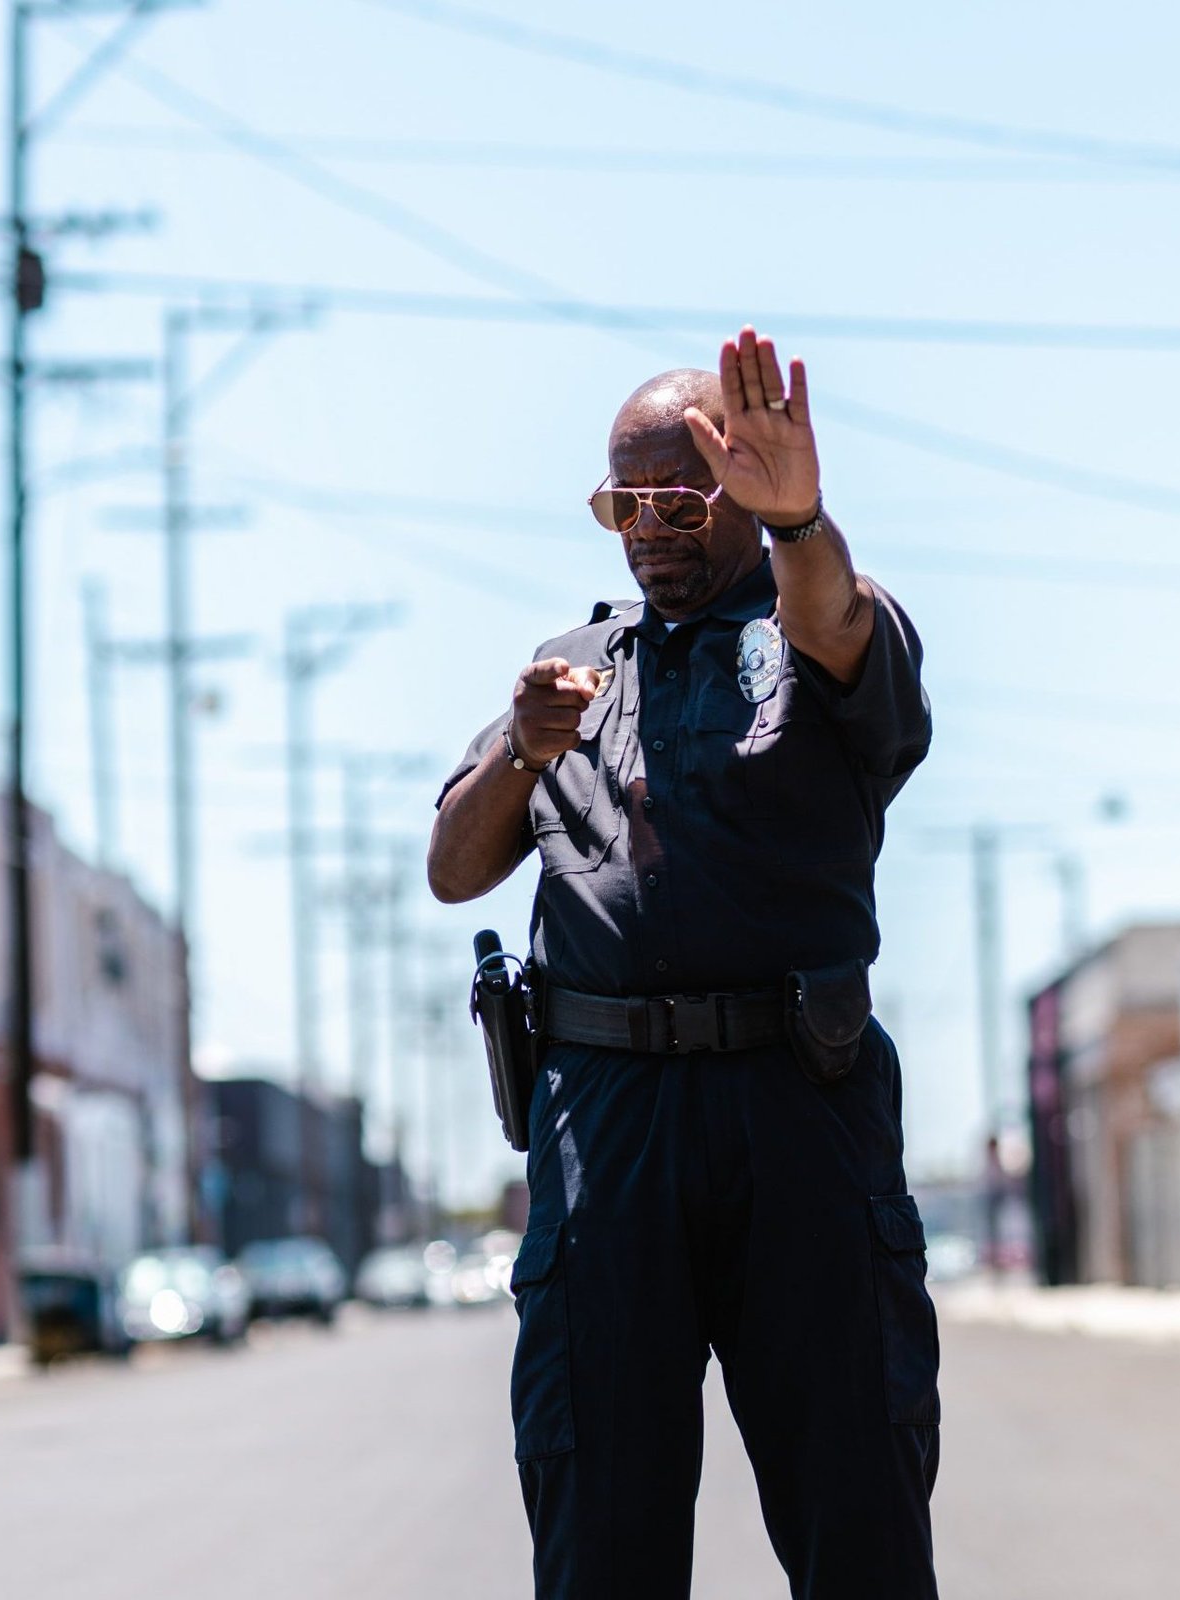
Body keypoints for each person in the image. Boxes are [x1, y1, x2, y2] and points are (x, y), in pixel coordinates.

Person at [428, 328, 939, 1599]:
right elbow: (452, 865)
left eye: (676, 498)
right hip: (607, 1128)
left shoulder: (822, 628)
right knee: (600, 1528)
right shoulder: (572, 669)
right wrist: (525, 747)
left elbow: (831, 624)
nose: (647, 529)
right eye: (623, 503)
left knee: (855, 1521)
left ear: (737, 489)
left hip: (796, 1106)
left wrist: (799, 522)